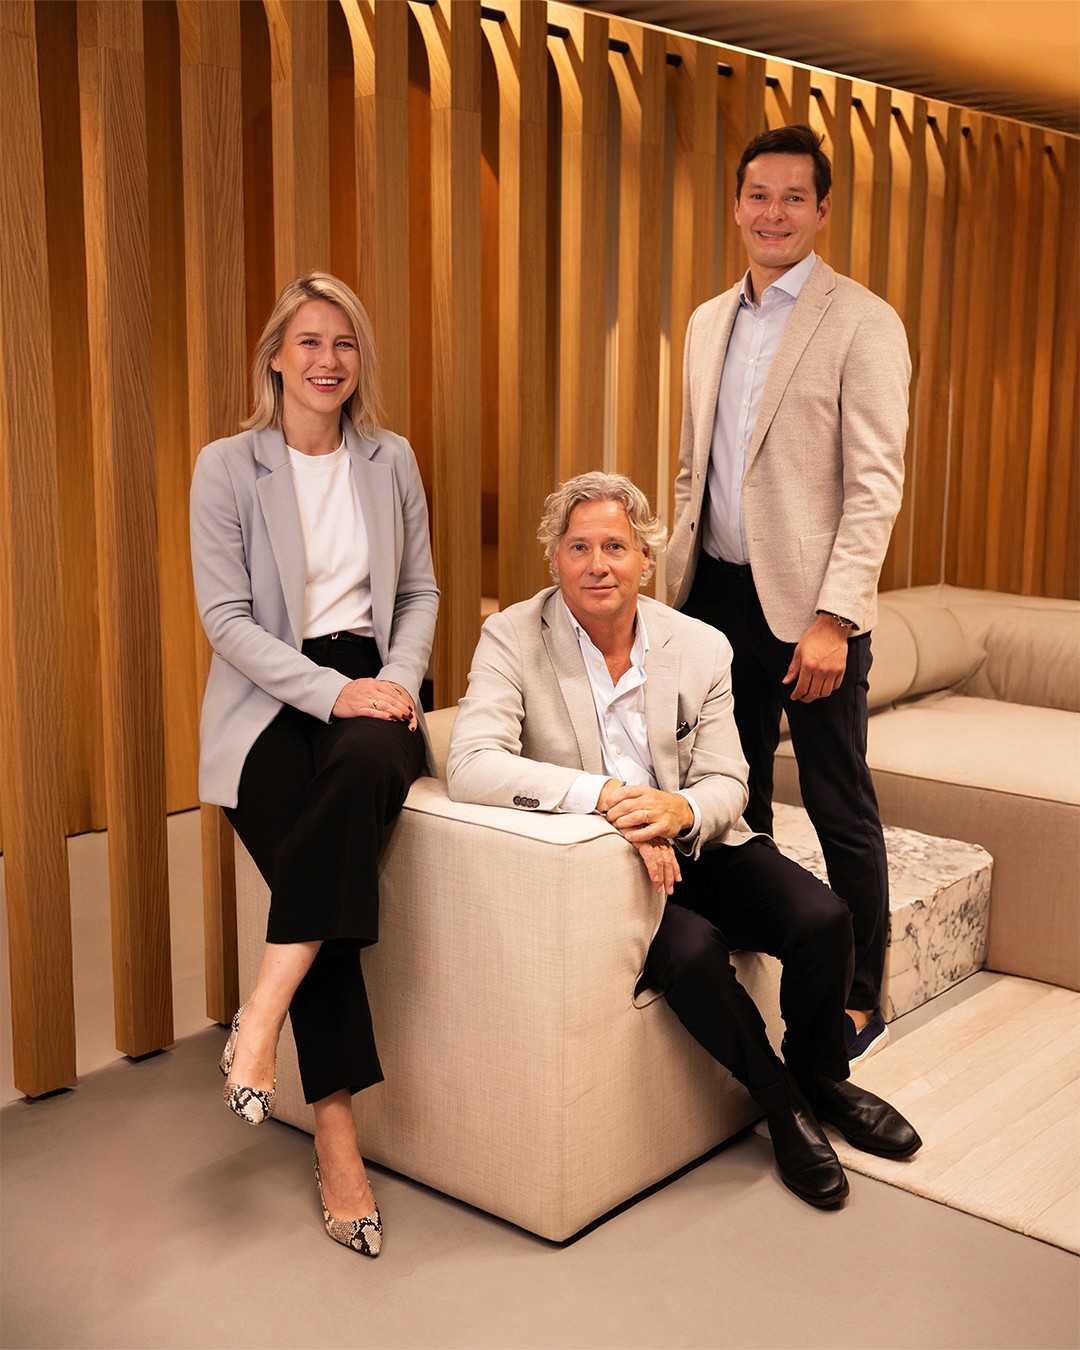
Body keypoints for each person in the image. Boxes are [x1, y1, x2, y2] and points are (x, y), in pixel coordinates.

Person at [447, 473, 919, 1209]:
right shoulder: (512, 636)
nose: (597, 564)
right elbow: (472, 764)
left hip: (699, 844)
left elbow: (730, 779)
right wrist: (608, 800)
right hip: (606, 869)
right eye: (578, 548)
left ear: (645, 559)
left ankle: (822, 1077)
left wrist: (682, 812)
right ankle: (781, 1104)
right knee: (693, 953)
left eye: (614, 546)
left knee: (826, 919)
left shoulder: (698, 645)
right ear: (553, 560)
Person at [190, 272, 439, 1257]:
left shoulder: (391, 459)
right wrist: (327, 692)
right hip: (268, 699)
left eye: (344, 342)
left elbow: (418, 590)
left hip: (376, 690)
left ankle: (264, 1018)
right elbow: (225, 620)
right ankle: (335, 1133)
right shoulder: (227, 466)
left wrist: (395, 682)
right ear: (276, 358)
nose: (328, 360)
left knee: (351, 793)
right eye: (309, 342)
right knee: (322, 859)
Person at [667, 124, 911, 1066]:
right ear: (736, 204)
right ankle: (768, 948)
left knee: (840, 800)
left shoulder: (862, 321)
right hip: (712, 597)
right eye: (757, 196)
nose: (772, 214)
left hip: (811, 616)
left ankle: (859, 994)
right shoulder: (703, 321)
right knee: (735, 794)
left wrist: (835, 618)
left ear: (822, 210)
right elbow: (697, 467)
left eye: (792, 198)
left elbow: (874, 483)